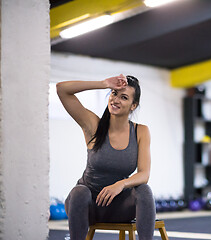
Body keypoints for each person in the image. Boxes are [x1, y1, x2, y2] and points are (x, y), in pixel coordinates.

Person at [56, 74, 156, 240]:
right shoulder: (93, 125)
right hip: (88, 207)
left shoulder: (141, 131)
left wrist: (120, 185)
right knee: (79, 192)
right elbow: (62, 90)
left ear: (133, 105)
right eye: (114, 93)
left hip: (119, 207)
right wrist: (103, 83)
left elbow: (144, 174)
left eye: (124, 97)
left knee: (144, 190)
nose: (116, 100)